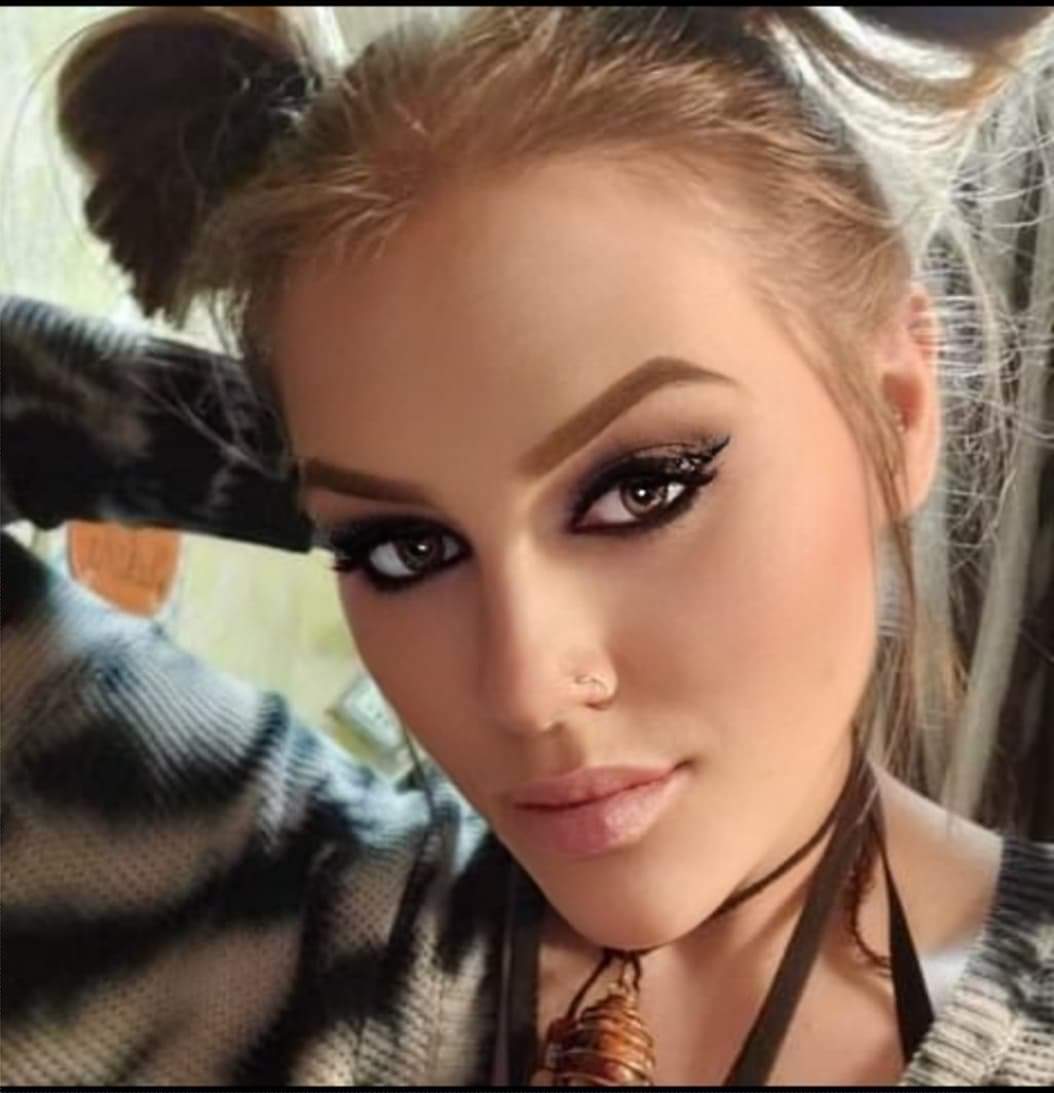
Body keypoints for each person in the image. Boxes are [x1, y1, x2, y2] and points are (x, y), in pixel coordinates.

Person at [2, 5, 1053, 1086]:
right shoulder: (250, 914)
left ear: (895, 410)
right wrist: (308, 448)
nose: (523, 687)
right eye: (401, 549)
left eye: (643, 490)